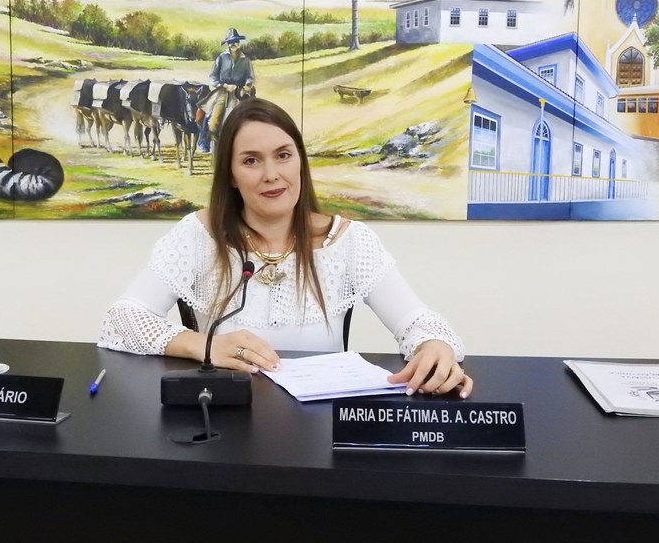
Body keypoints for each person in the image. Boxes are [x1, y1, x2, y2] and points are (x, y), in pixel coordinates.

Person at [99, 98, 472, 399]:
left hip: (319, 435)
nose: (271, 175)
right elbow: (120, 321)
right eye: (251, 161)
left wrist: (434, 346)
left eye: (283, 155)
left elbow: (419, 321)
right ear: (230, 175)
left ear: (300, 162)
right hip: (223, 428)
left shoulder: (349, 240)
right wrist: (204, 346)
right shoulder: (198, 235)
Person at [197, 27, 255, 153]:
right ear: (227, 44)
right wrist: (223, 85)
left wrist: (247, 85)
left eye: (235, 41)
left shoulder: (245, 59)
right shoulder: (221, 58)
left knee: (254, 112)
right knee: (211, 114)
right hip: (223, 90)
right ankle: (203, 140)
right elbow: (212, 77)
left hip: (240, 91)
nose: (233, 44)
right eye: (230, 42)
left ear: (238, 43)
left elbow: (250, 76)